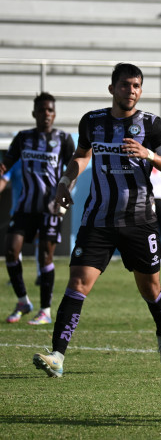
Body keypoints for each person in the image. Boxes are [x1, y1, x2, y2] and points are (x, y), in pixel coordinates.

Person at [33, 63, 161, 378]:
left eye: (136, 86)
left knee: (150, 289)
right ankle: (57, 355)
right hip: (98, 219)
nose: (131, 91)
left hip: (139, 220)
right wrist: (64, 182)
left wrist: (149, 154)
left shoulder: (152, 125)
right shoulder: (92, 121)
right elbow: (81, 155)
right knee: (78, 283)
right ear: (112, 88)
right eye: (125, 85)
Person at [1, 93, 75, 325]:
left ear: (55, 113)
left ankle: (45, 310)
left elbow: (73, 170)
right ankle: (23, 301)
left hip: (50, 207)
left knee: (45, 256)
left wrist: (64, 194)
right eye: (42, 110)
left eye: (50, 110)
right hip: (25, 206)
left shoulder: (63, 139)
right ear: (34, 113)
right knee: (11, 250)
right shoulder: (23, 138)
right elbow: (6, 164)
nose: (46, 114)